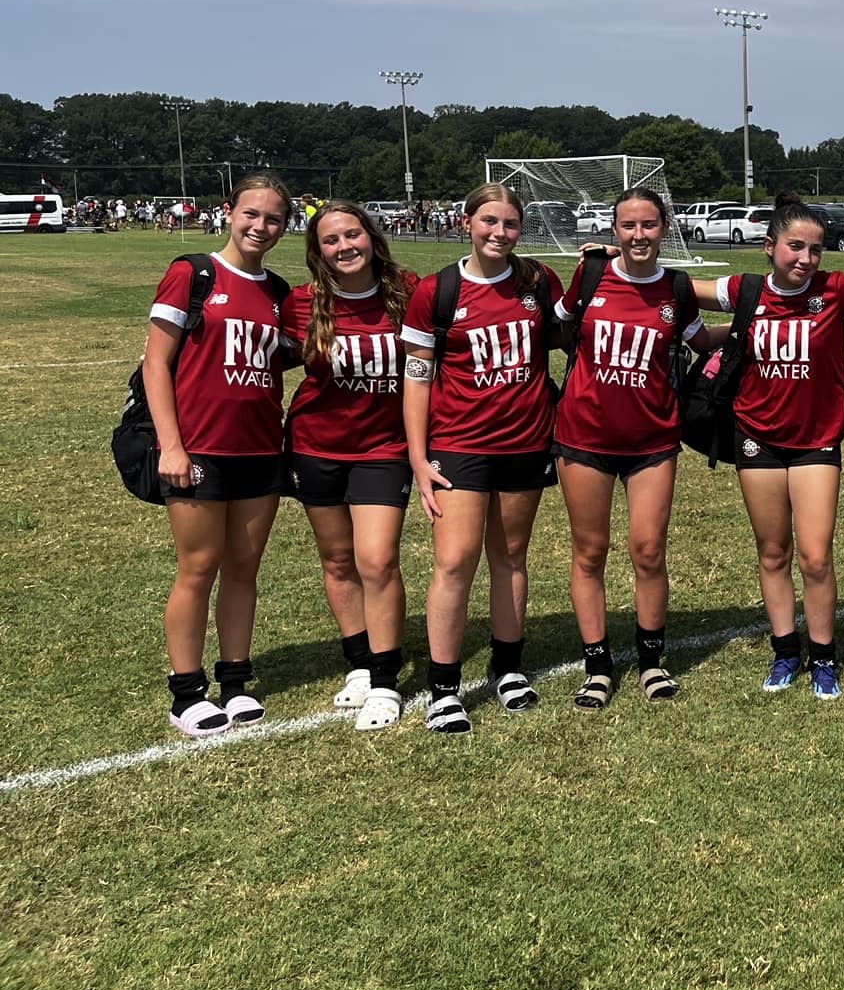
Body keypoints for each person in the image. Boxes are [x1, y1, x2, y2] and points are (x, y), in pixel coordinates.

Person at [692, 194, 844, 700]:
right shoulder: (746, 290)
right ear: (769, 247)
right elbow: (674, 289)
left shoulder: (837, 289)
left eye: (815, 249)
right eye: (795, 247)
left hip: (816, 442)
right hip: (755, 437)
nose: (805, 259)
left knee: (816, 556)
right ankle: (785, 651)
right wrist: (609, 261)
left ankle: (824, 656)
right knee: (772, 552)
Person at [400, 183, 565, 735]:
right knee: (454, 562)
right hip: (459, 446)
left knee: (512, 556)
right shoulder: (438, 290)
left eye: (510, 224)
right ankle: (444, 687)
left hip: (525, 441)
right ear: (465, 221)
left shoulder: (537, 281)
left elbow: (568, 336)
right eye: (488, 221)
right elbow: (417, 378)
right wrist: (419, 459)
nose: (499, 233)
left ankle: (508, 666)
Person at [142, 172, 296, 737]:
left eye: (273, 219)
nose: (261, 227)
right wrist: (172, 445)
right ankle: (186, 693)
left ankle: (234, 681)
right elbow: (156, 364)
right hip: (198, 449)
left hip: (260, 451)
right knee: (198, 567)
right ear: (229, 211)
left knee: (244, 569)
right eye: (252, 214)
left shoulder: (279, 292)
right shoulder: (194, 274)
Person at [553, 189, 710, 711]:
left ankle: (651, 661)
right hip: (583, 437)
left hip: (653, 439)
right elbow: (551, 327)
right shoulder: (591, 275)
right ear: (614, 228)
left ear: (665, 227)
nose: (638, 235)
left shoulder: (677, 287)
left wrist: (760, 328)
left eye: (648, 225)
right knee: (590, 552)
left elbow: (701, 342)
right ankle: (597, 666)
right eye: (628, 226)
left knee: (648, 550)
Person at [282, 201, 417, 732]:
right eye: (331, 240)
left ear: (371, 236)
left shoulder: (407, 291)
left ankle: (385, 680)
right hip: (316, 446)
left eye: (352, 234)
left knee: (378, 560)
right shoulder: (300, 303)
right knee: (338, 561)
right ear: (318, 251)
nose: (344, 247)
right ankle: (360, 663)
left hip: (384, 449)